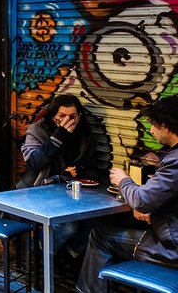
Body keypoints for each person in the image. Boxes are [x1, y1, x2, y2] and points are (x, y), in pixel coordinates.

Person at [76, 95, 178, 292]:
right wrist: (154, 210)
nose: (150, 130)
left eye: (153, 125)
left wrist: (123, 179)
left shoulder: (174, 161)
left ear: (165, 126)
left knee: (99, 236)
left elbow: (140, 200)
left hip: (171, 250)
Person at [18, 94, 105, 262]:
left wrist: (78, 170)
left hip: (73, 195)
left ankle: (65, 257)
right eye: (61, 117)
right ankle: (42, 255)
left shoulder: (86, 135)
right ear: (53, 117)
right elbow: (34, 162)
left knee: (95, 225)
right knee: (69, 227)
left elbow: (91, 167)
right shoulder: (37, 131)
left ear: (80, 116)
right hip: (39, 192)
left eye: (72, 117)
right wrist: (59, 136)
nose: (68, 122)